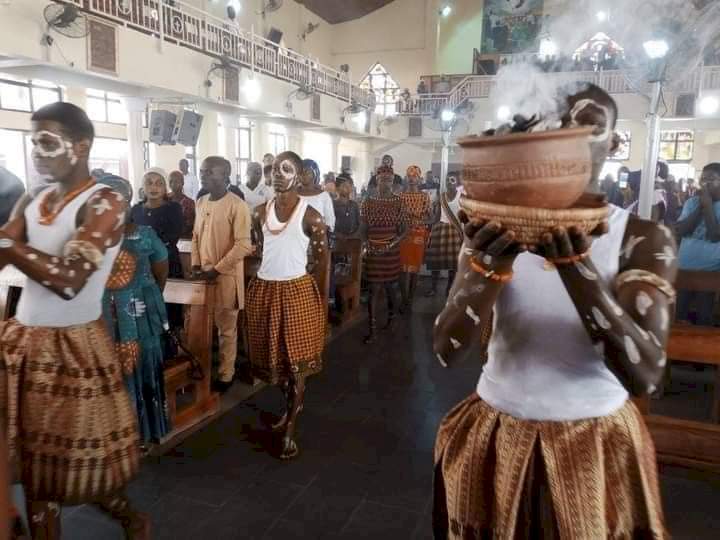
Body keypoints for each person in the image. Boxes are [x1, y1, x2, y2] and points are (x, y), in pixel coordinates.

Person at [433, 84, 675, 538]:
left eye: (589, 129)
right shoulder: (495, 228)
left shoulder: (640, 237)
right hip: (500, 425)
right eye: (557, 128)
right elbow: (447, 350)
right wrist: (485, 265)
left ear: (615, 144)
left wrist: (574, 268)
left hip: (593, 437)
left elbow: (645, 376)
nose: (570, 140)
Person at [0, 102, 147, 539]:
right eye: (34, 143)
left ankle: (129, 517)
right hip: (24, 342)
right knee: (34, 470)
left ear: (80, 146)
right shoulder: (35, 197)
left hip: (74, 347)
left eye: (48, 142)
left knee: (83, 467)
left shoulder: (106, 201)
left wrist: (6, 246)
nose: (37, 153)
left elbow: (70, 281)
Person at [247, 152, 329, 459]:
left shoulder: (311, 217)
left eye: (287, 169)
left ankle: (291, 429)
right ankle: (290, 406)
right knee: (277, 362)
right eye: (274, 169)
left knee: (298, 367)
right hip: (266, 291)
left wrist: (313, 296)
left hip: (296, 293)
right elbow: (259, 248)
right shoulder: (258, 213)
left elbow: (320, 261)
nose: (278, 174)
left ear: (300, 175)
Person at [100, 175, 171, 443]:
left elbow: (161, 270)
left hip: (139, 312)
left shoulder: (144, 235)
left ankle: (144, 432)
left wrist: (144, 295)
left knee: (143, 366)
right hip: (109, 314)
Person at [192, 156, 253, 393]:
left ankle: (226, 374)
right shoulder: (202, 202)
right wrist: (197, 265)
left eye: (209, 172)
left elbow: (243, 245)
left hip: (225, 276)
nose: (203, 175)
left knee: (227, 330)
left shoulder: (237, 205)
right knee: (201, 326)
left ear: (225, 176)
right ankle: (202, 369)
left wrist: (215, 270)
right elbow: (196, 236)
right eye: (201, 171)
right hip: (204, 276)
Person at [360, 165, 405, 344]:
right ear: (376, 179)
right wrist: (366, 244)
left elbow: (405, 230)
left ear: (393, 181)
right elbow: (363, 229)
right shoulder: (367, 202)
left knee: (391, 288)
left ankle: (392, 318)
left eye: (389, 180)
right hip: (373, 252)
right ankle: (372, 330)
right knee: (374, 289)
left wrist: (390, 245)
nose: (386, 182)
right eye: (382, 179)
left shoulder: (398, 202)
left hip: (391, 253)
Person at [675, 162, 720, 326]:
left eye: (711, 179)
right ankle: (677, 350)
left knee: (703, 317)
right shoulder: (692, 203)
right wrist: (700, 207)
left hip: (709, 270)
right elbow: (682, 231)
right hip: (685, 267)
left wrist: (708, 206)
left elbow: (715, 235)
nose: (705, 183)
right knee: (679, 315)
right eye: (703, 179)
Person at [131, 168, 184, 279]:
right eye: (149, 183)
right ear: (143, 187)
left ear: (165, 188)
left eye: (159, 184)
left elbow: (172, 237)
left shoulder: (174, 209)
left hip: (168, 264)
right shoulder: (135, 210)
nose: (153, 187)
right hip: (141, 266)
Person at [398, 165, 431, 311]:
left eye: (415, 176)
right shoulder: (400, 196)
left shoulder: (424, 196)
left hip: (418, 235)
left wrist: (419, 222)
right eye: (409, 176)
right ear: (406, 178)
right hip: (404, 234)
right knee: (403, 270)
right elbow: (397, 216)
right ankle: (404, 299)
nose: (412, 179)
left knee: (414, 270)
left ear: (419, 179)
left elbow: (430, 217)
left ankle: (410, 299)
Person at [425, 175, 463, 297]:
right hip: (440, 230)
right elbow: (436, 217)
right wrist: (426, 223)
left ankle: (449, 288)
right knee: (435, 262)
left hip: (455, 232)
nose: (449, 182)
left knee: (453, 264)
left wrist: (465, 235)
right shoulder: (441, 197)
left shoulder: (461, 197)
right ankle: (433, 288)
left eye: (452, 180)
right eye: (447, 180)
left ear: (457, 182)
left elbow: (464, 217)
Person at [298, 159, 336, 232]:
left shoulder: (323, 196)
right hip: (295, 237)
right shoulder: (293, 194)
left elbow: (330, 220)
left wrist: (318, 232)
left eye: (307, 172)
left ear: (314, 174)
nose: (304, 175)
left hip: (317, 236)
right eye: (301, 172)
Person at [169, 169, 196, 239]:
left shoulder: (190, 203)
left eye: (176, 181)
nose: (173, 184)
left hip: (185, 241)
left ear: (183, 183)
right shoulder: (163, 200)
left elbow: (192, 226)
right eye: (170, 181)